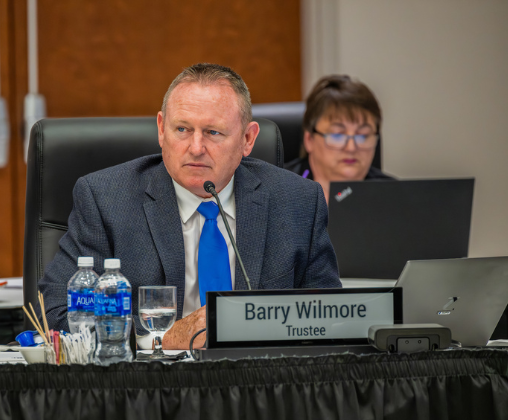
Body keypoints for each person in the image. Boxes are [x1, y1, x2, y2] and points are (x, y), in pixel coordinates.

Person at [39, 63, 342, 349]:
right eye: (182, 129)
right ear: (161, 129)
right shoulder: (106, 199)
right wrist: (163, 337)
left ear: (247, 139)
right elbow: (58, 312)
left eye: (213, 132)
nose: (196, 148)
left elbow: (330, 317)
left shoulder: (297, 201)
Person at [283, 75, 394, 202]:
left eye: (362, 135)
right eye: (337, 135)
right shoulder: (275, 192)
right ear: (309, 139)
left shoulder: (396, 197)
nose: (351, 148)